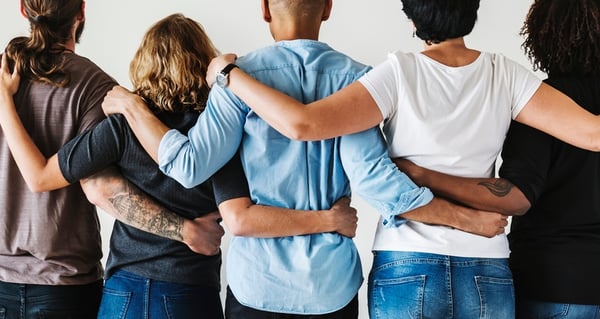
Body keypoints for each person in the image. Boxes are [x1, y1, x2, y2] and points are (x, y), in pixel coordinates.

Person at [100, 0, 508, 317]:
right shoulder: (358, 80)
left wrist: (134, 109)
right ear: (328, 8)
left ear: (263, 9)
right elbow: (373, 180)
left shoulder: (237, 80)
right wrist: (461, 216)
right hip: (331, 287)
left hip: (257, 287)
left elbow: (189, 167)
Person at [199, 0, 600, 317]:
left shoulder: (396, 74)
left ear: (411, 17)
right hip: (485, 264)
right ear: (473, 12)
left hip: (406, 264)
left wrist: (228, 75)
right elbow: (593, 133)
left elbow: (303, 124)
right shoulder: (505, 74)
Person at [0, 12, 361, 319]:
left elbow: (49, 176)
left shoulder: (121, 127)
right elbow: (241, 215)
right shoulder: (218, 133)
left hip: (122, 291)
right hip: (188, 291)